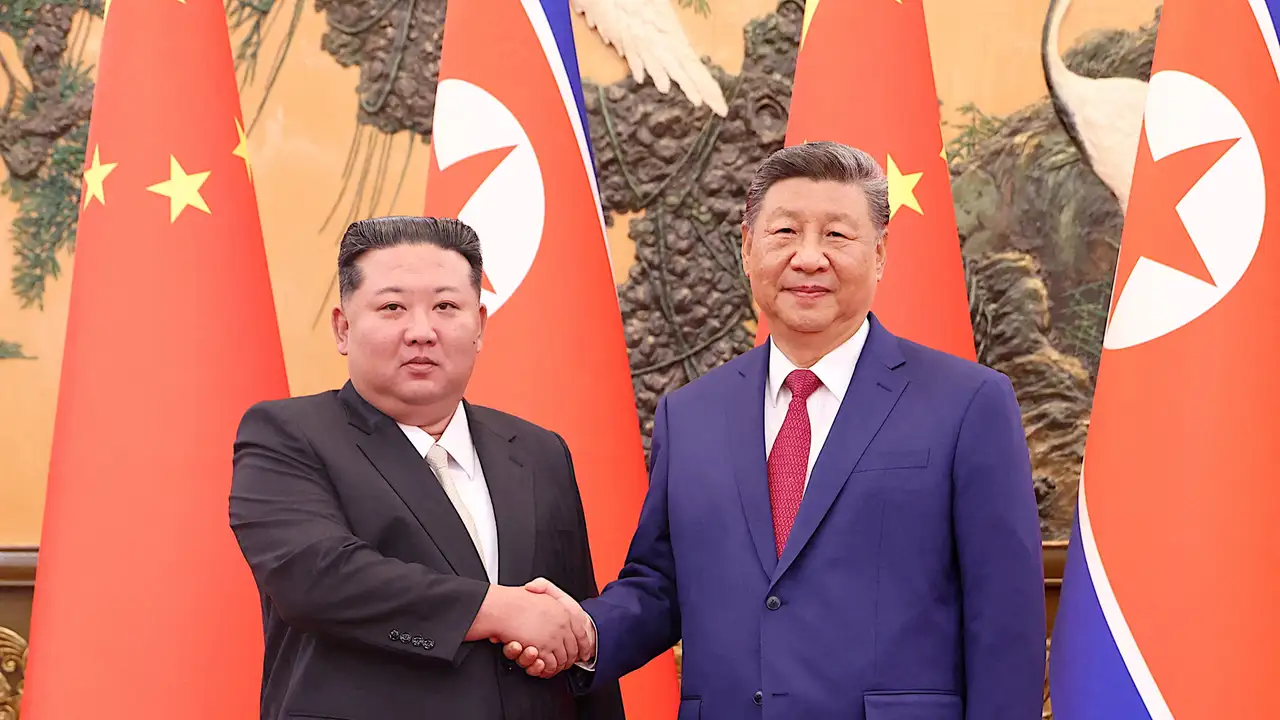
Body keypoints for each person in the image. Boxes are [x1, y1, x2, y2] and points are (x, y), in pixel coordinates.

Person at [503, 141, 1046, 719]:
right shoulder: (690, 414)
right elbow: (660, 584)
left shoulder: (968, 403)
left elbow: (1005, 619)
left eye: (837, 235)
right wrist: (585, 632)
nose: (809, 258)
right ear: (747, 248)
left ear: (881, 254)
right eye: (785, 232)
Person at [228, 216, 624, 720]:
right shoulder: (288, 434)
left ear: (479, 325)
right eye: (392, 308)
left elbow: (568, 620)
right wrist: (502, 611)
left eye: (446, 307)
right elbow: (317, 578)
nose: (422, 331)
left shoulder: (537, 451)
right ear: (343, 328)